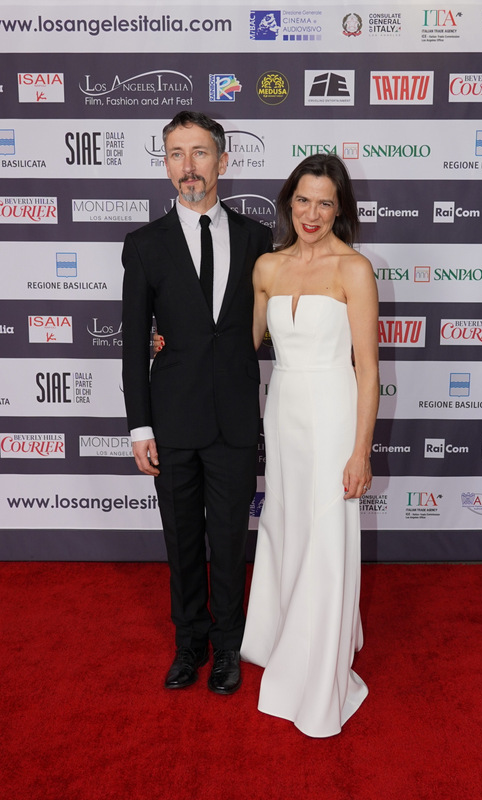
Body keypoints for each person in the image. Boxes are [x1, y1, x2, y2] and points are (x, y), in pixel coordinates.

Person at [121, 111, 272, 695]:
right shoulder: (144, 245)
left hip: (234, 417)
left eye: (200, 153)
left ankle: (229, 644)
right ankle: (190, 642)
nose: (188, 166)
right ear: (166, 165)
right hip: (173, 419)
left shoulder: (257, 238)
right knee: (182, 540)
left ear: (223, 161)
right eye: (176, 154)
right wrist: (140, 427)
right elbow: (135, 341)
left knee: (230, 539)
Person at [240, 154, 379, 737]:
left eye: (325, 202)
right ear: (288, 202)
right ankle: (282, 631)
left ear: (339, 208)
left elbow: (368, 371)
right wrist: (175, 342)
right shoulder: (267, 266)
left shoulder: (355, 270)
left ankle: (318, 664)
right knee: (288, 521)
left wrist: (360, 452)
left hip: (333, 412)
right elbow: (240, 346)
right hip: (284, 412)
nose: (312, 213)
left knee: (325, 529)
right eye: (303, 199)